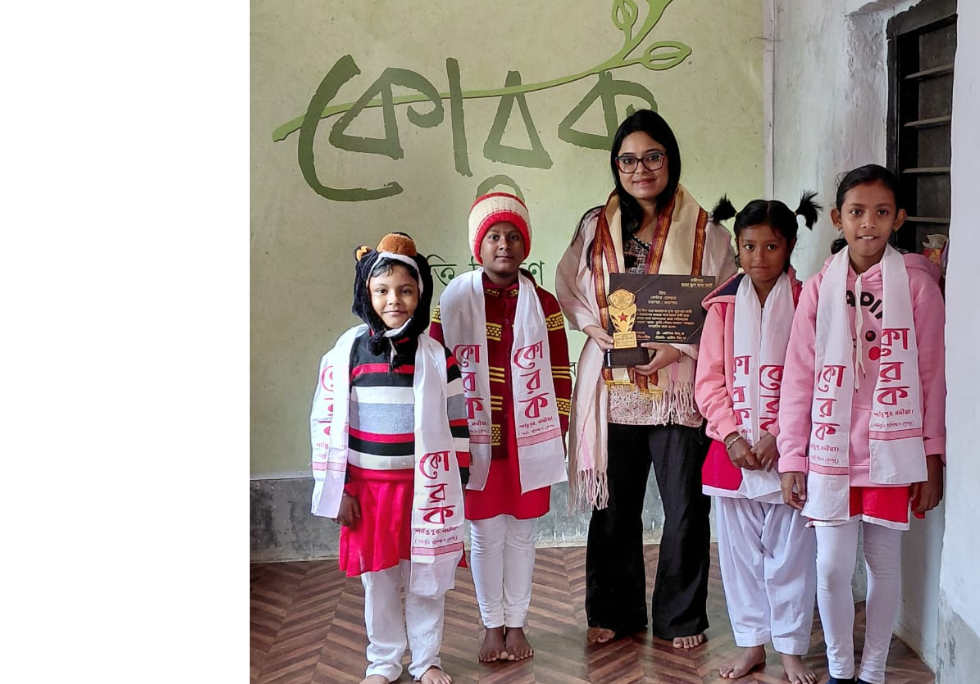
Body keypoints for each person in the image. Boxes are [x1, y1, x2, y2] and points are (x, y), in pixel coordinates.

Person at [555, 109, 735, 649]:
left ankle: (681, 617)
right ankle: (615, 610)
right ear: (616, 166)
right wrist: (595, 327)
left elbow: (724, 303)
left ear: (670, 159)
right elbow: (569, 286)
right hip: (613, 387)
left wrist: (678, 346)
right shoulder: (594, 226)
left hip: (678, 384)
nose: (641, 169)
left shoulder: (709, 231)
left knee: (685, 508)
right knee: (614, 506)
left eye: (652, 157)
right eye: (628, 160)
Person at [776, 165, 946, 684]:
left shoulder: (916, 287)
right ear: (838, 218)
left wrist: (932, 454)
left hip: (891, 448)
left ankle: (872, 671)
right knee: (831, 566)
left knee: (882, 561)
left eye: (880, 212)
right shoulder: (819, 288)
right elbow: (799, 374)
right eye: (856, 212)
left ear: (899, 218)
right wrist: (792, 454)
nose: (868, 222)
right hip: (831, 448)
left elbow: (932, 374)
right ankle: (839, 666)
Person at [309, 232, 470, 684]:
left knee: (426, 577)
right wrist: (337, 489)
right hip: (369, 493)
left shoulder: (437, 357)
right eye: (382, 290)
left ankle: (427, 660)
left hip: (426, 489)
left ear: (421, 294)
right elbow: (325, 420)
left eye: (405, 290)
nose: (394, 300)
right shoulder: (347, 354)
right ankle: (383, 662)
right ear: (367, 294)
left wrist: (456, 484)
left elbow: (458, 422)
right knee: (378, 580)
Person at [430, 191, 572, 663]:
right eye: (494, 236)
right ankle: (492, 625)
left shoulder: (544, 304)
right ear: (479, 245)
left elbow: (559, 371)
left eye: (513, 236)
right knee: (486, 535)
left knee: (523, 535)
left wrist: (558, 429)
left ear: (525, 245)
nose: (504, 245)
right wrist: (444, 435)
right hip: (473, 441)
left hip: (528, 436)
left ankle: (518, 624)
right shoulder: (453, 301)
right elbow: (437, 370)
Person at [694, 195, 821, 682]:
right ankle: (751, 644)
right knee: (739, 557)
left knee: (792, 556)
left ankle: (790, 648)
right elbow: (709, 380)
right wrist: (731, 436)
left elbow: (812, 378)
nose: (759, 257)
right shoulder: (722, 308)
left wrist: (779, 436)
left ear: (789, 245)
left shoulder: (809, 301)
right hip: (734, 454)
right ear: (737, 247)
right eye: (749, 246)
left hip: (789, 453)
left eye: (771, 246)